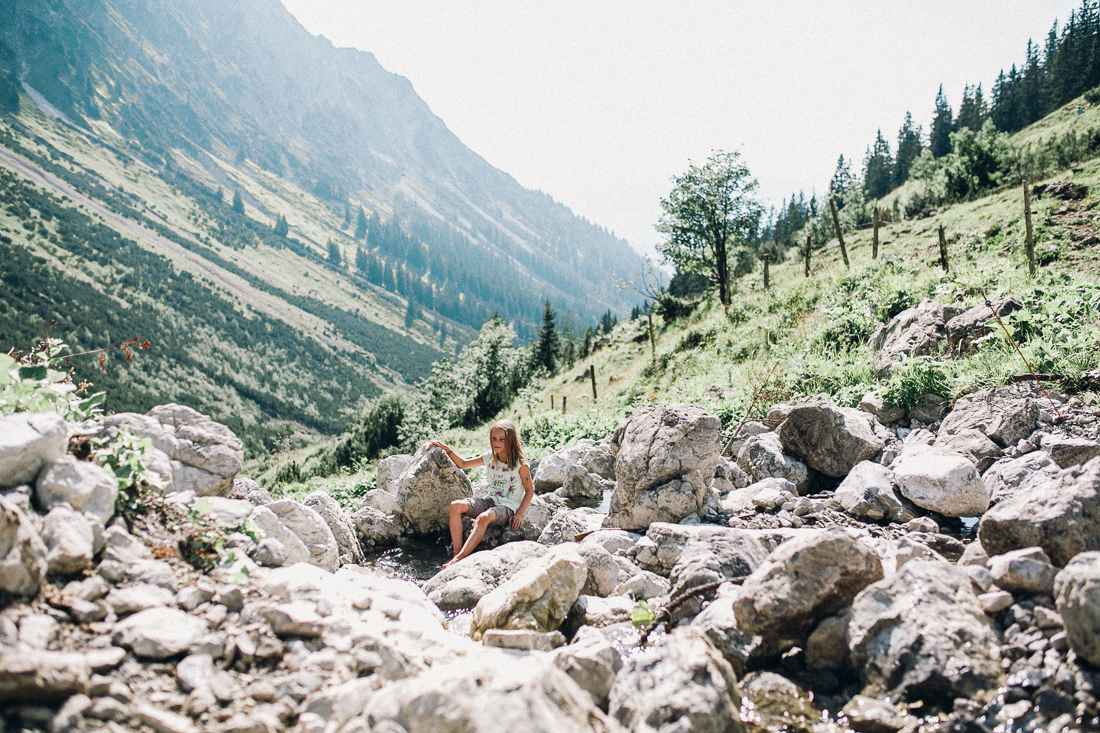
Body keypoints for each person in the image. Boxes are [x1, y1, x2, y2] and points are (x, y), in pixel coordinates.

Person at [429, 419, 534, 568]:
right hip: (490, 501)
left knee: (483, 518)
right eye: (493, 438)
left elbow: (530, 490)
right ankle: (456, 555)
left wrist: (519, 514)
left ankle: (459, 559)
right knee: (455, 506)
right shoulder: (489, 457)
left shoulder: (520, 463)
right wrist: (448, 450)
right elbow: (463, 464)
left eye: (502, 439)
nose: (496, 442)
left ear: (510, 440)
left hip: (507, 507)